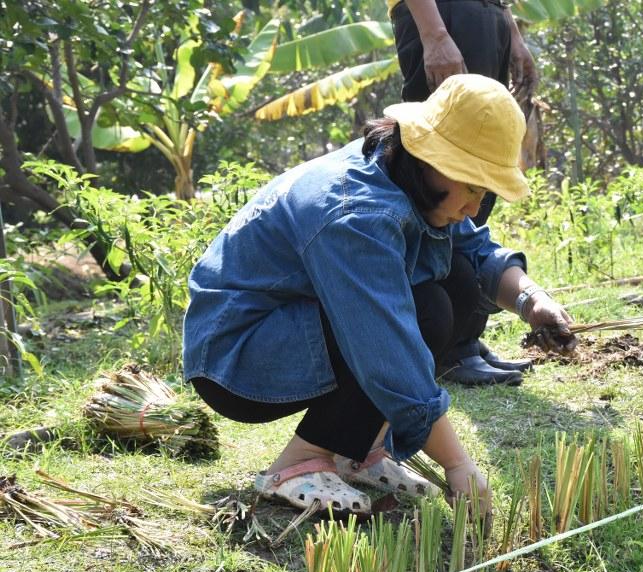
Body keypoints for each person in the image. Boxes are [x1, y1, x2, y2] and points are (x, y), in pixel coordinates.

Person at [182, 75, 576, 515]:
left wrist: (532, 301)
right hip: (236, 356)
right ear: (433, 156)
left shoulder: (404, 169)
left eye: (483, 193)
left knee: (458, 282)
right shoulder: (356, 215)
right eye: (471, 188)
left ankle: (359, 450)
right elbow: (387, 351)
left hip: (288, 325)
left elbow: (474, 249)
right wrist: (458, 464)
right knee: (427, 311)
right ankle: (299, 464)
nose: (472, 207)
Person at [389, 0, 541, 385]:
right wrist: (435, 32)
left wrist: (511, 33)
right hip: (442, 14)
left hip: (484, 14)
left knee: (477, 181)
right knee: (441, 174)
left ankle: (465, 337)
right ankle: (443, 343)